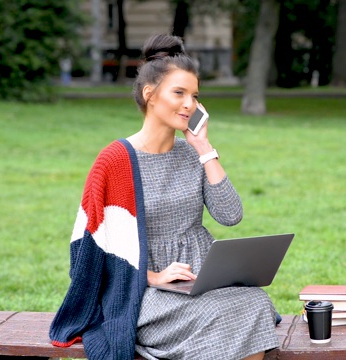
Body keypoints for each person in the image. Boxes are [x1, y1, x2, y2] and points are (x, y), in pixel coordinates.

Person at [49, 34, 280, 360]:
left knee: (253, 302)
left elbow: (231, 215)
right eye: (179, 93)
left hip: (201, 281)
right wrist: (152, 276)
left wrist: (204, 148)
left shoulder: (191, 154)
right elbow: (85, 255)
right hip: (144, 292)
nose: (190, 104)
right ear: (150, 94)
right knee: (227, 316)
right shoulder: (116, 161)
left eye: (195, 95)